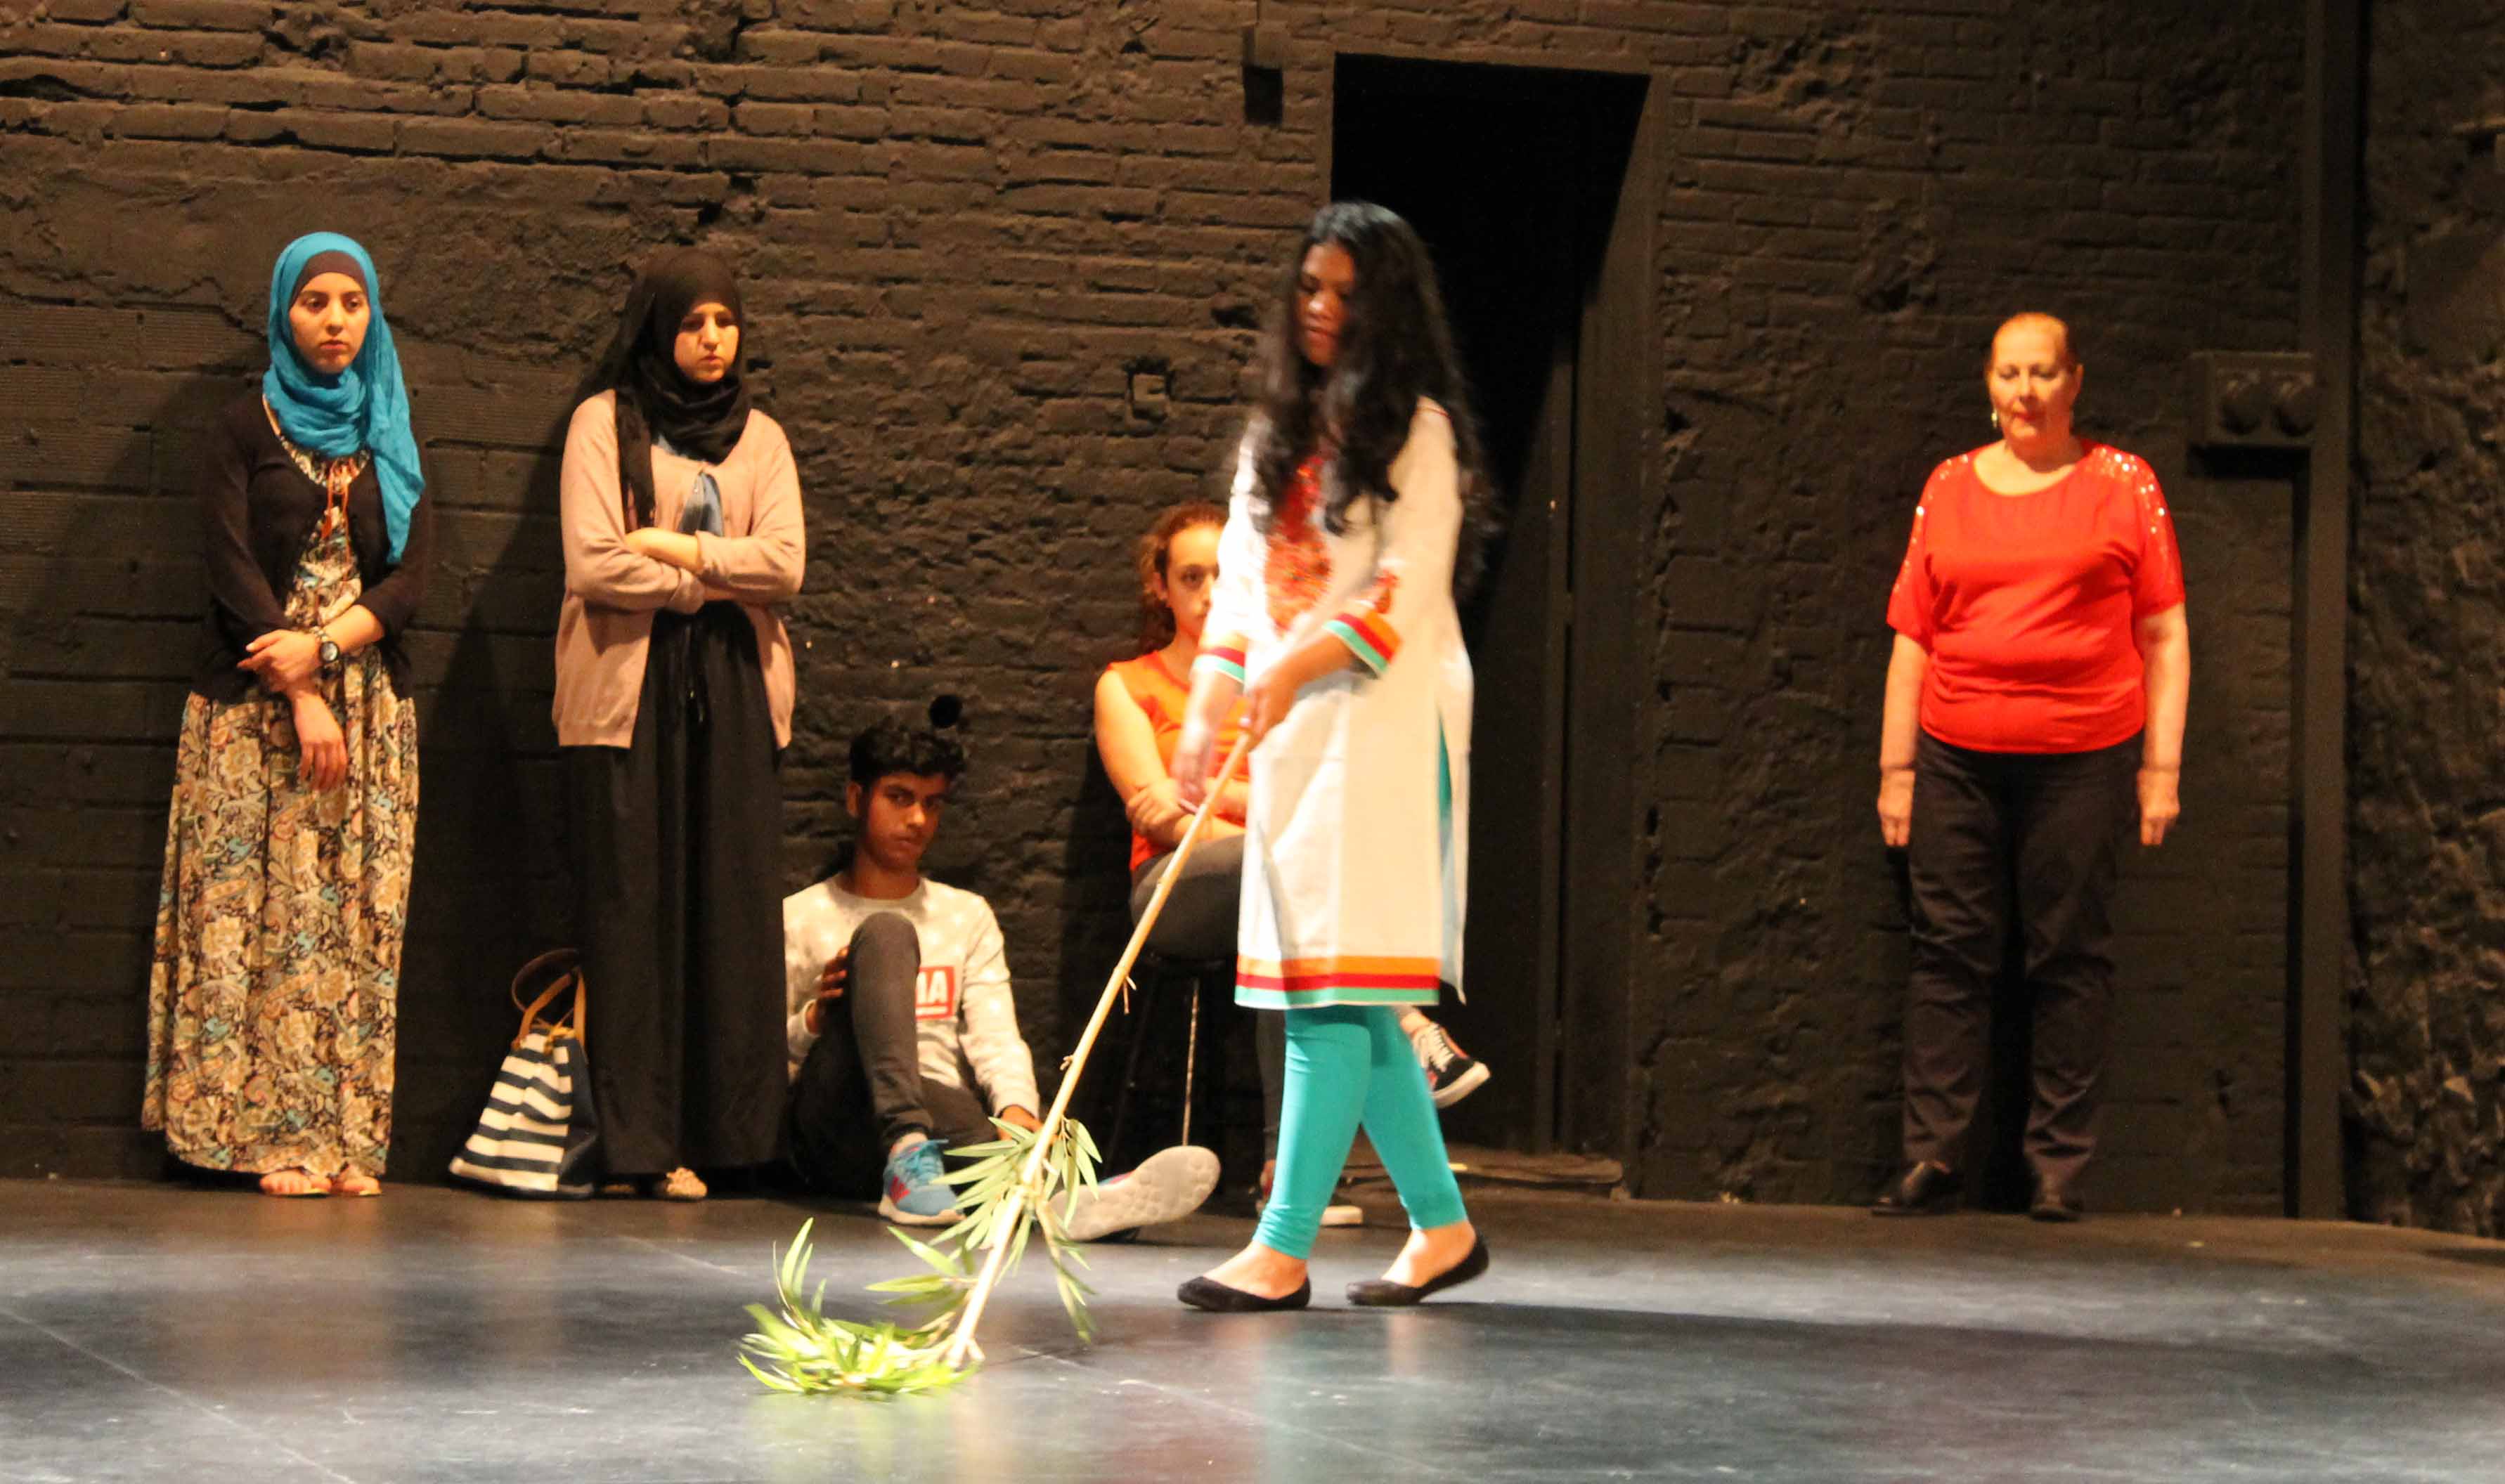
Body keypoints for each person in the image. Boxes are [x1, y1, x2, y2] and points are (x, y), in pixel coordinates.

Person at [1170, 202, 1493, 1311]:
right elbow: (1242, 595)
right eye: (1310, 286)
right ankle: (1443, 1228)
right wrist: (1206, 710)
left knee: (1327, 994)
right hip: (1298, 731)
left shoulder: (1420, 435)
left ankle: (1283, 1248)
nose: (1320, 308)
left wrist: (1291, 670)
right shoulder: (1276, 437)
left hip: (1381, 732)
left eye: (1346, 294)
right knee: (1352, 994)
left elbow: (1399, 597)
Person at [1870, 312, 2190, 1223]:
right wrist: (1897, 770)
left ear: (2074, 381)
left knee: (2069, 958)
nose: (2025, 391)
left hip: (2083, 757)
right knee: (1947, 954)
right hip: (1956, 756)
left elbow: (2165, 635)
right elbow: (1912, 638)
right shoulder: (1949, 486)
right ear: (1989, 384)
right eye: (2009, 374)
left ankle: (2057, 1167)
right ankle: (1934, 1157)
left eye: (2043, 372)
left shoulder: (2124, 484)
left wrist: (2161, 769)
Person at [1094, 503, 1490, 1223]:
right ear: (1161, 587)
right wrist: (1267, 818)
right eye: (1191, 577)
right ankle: (1408, 1022)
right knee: (1292, 878)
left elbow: (1295, 799)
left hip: (1272, 880)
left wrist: (1223, 802)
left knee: (1287, 920)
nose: (1210, 594)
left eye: (1224, 576)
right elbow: (1159, 812)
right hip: (1175, 891)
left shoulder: (1278, 683)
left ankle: (1286, 1176)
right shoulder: (1128, 684)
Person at [143, 232, 432, 1199]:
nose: (336, 321)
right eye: (315, 303)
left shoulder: (390, 430)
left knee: (351, 923)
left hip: (368, 711)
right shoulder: (242, 428)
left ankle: (342, 1138)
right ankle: (257, 1139)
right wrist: (302, 688)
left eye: (353, 302)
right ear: (283, 314)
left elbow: (412, 579)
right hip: (254, 708)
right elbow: (230, 569)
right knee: (255, 922)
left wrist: (331, 651)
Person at [556, 247, 803, 1201]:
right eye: (693, 324)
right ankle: (640, 1148)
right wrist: (708, 580)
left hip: (736, 689)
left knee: (729, 908)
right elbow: (593, 563)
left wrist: (670, 546)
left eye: (725, 323)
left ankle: (729, 1139)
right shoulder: (604, 422)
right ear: (659, 331)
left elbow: (786, 565)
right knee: (634, 915)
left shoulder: (761, 439)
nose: (711, 340)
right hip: (626, 695)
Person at [784, 710, 1219, 1240]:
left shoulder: (965, 915)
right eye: (899, 798)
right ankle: (1017, 1176)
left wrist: (1016, 1110)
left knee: (974, 1114)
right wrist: (816, 1018)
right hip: (838, 1129)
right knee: (887, 933)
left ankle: (1054, 1198)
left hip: (941, 1130)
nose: (918, 819)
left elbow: (995, 1038)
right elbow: (761, 1070)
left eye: (932, 803)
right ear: (857, 799)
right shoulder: (800, 916)